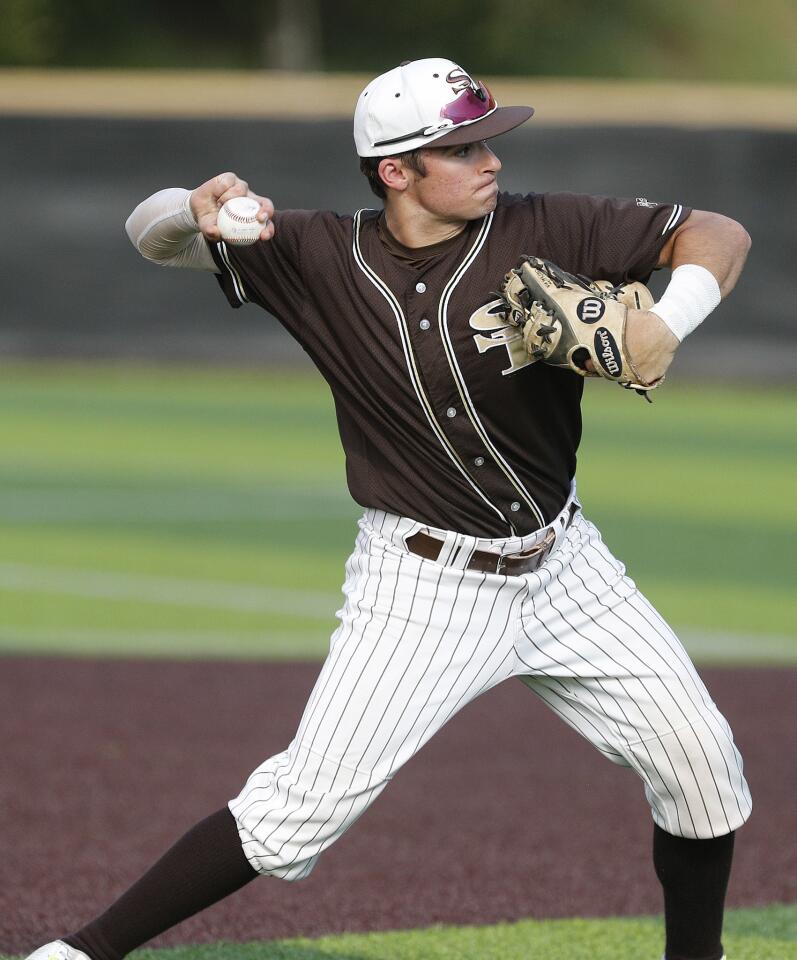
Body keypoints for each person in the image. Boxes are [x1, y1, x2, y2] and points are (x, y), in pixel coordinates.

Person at [26, 57, 751, 960]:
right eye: (461, 146)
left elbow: (717, 230)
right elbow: (149, 231)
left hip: (567, 568)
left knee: (701, 772)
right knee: (299, 812)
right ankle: (78, 954)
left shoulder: (547, 223)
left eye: (489, 139)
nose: (490, 159)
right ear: (394, 170)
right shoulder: (313, 252)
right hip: (422, 588)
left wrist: (669, 319)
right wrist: (191, 208)